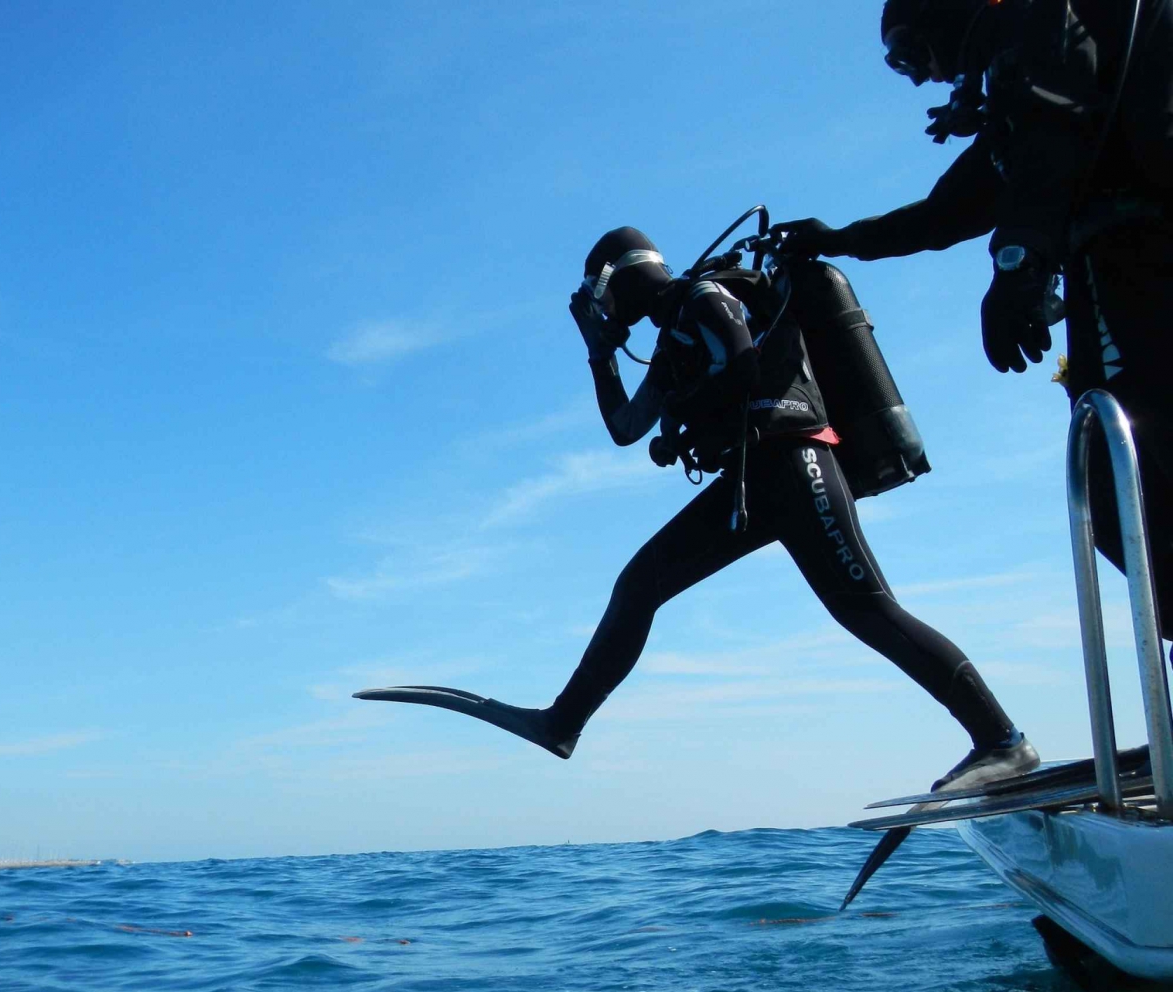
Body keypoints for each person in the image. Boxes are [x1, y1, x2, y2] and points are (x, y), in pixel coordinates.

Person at [356, 226, 1038, 792]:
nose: (602, 313)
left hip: (794, 461)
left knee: (866, 607)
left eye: (598, 301)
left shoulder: (706, 298)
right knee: (640, 584)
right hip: (756, 480)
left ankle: (1002, 738)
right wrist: (600, 357)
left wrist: (685, 413)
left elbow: (745, 370)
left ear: (610, 281)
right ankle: (562, 723)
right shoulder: (672, 335)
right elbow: (626, 426)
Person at [775, 0, 1173, 633]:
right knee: (1116, 488)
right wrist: (840, 238)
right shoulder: (1034, 71)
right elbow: (949, 210)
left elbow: (1052, 132)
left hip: (1140, 264)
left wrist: (1017, 263)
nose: (920, 76)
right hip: (1122, 265)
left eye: (910, 52)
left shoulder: (1044, 33)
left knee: (1129, 481)